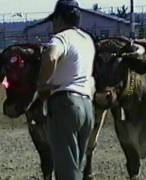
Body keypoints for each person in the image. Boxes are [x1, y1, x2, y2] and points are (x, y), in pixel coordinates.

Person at [36, 0, 95, 179]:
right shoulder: (87, 39)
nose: (53, 25)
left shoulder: (61, 38)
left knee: (66, 171)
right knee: (76, 165)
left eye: (54, 20)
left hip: (65, 104)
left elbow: (51, 57)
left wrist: (42, 84)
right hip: (86, 105)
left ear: (60, 19)